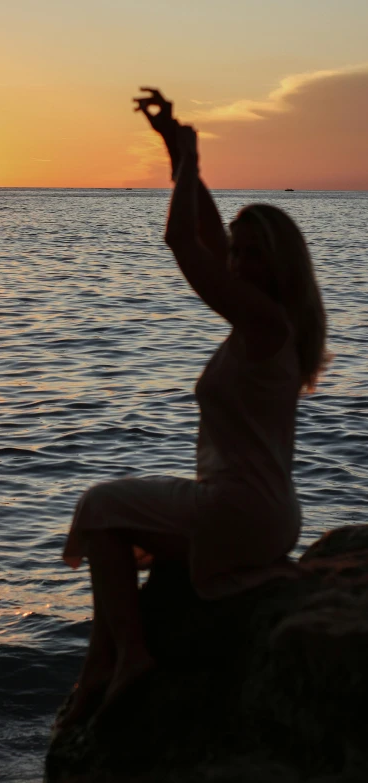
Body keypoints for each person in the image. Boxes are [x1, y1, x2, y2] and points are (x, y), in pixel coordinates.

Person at [57, 88, 330, 730]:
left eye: (251, 251)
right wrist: (177, 151)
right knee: (109, 519)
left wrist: (188, 157)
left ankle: (128, 658)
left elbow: (182, 239)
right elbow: (205, 234)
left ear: (280, 263)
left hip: (241, 510)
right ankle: (106, 661)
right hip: (266, 513)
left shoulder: (265, 323)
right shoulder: (266, 324)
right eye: (236, 250)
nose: (235, 260)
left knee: (99, 506)